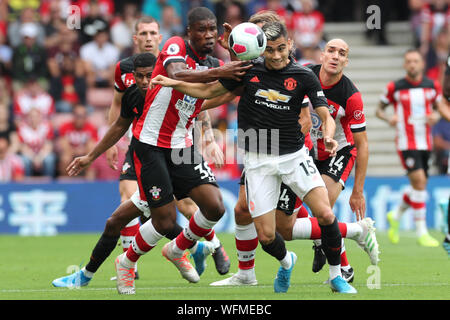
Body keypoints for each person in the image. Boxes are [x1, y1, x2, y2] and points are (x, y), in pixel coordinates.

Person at [152, 21, 358, 294]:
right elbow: (209, 92)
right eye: (270, 50)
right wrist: (172, 82)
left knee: (325, 214)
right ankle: (285, 263)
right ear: (262, 48)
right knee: (267, 235)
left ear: (289, 46)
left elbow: (324, 114)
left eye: (281, 49)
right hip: (258, 160)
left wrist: (329, 135)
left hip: (294, 156)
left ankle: (336, 276)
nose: (275, 56)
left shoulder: (304, 75)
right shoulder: (248, 71)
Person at [112, 7, 252, 294]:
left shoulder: (213, 61)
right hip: (150, 144)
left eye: (212, 29)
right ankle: (127, 262)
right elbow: (178, 73)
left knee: (214, 207)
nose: (209, 34)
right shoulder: (175, 45)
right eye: (202, 29)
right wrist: (220, 70)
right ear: (189, 32)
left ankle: (178, 249)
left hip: (182, 145)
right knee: (164, 220)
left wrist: (235, 56)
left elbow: (230, 88)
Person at [51, 52, 211, 288]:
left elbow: (202, 104)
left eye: (149, 76)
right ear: (133, 76)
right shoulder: (133, 96)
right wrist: (91, 156)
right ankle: (195, 247)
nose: (145, 82)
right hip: (147, 164)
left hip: (169, 166)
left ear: (158, 74)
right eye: (139, 77)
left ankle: (191, 249)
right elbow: (118, 127)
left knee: (159, 219)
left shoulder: (172, 94)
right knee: (120, 222)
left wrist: (207, 142)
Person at [376, 49, 447, 247]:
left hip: (425, 141)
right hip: (406, 142)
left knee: (419, 186)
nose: (412, 64)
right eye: (409, 61)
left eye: (416, 61)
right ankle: (422, 232)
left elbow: (440, 108)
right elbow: (379, 110)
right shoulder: (395, 87)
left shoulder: (432, 86)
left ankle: (396, 214)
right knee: (420, 181)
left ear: (422, 64)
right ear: (404, 65)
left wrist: (437, 116)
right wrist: (389, 117)